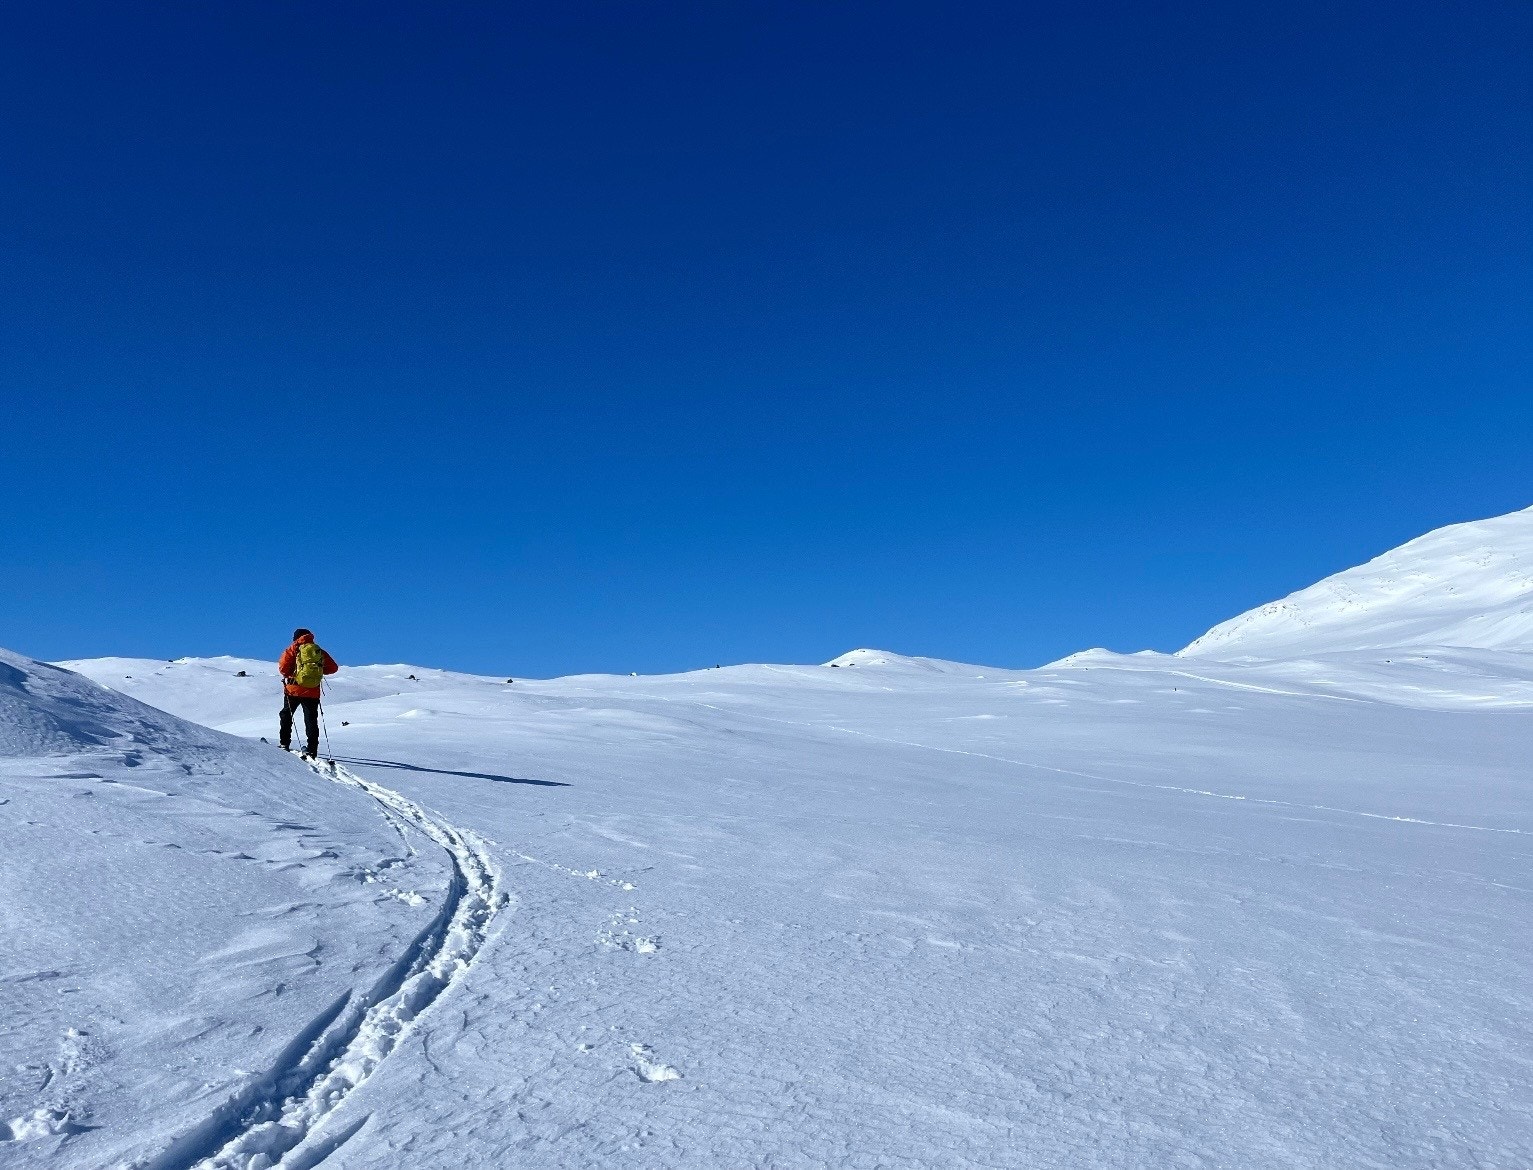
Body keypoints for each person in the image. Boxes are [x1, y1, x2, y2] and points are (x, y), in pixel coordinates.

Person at [277, 628, 339, 757]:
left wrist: (294, 674)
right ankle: (312, 750)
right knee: (311, 720)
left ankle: (284, 743)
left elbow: (283, 668)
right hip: (312, 691)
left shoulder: (292, 649)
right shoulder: (318, 650)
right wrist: (317, 672)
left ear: (296, 637)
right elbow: (333, 668)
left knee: (286, 715)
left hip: (293, 689)